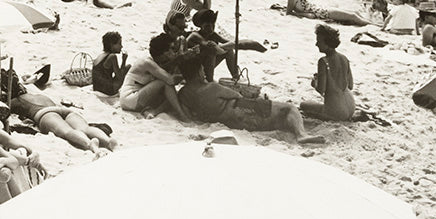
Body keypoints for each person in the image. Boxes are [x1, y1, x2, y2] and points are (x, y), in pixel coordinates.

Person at [176, 54, 323, 144]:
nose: (203, 71)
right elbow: (237, 95)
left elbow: (188, 116)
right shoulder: (211, 87)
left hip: (232, 123)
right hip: (242, 110)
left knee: (279, 118)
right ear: (198, 72)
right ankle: (301, 134)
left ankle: (294, 128)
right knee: (289, 108)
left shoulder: (183, 94)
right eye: (201, 69)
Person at [7, 79, 116, 152]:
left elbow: (4, 110)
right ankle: (108, 141)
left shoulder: (16, 101)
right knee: (85, 128)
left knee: (67, 132)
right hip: (63, 110)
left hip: (45, 114)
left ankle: (89, 144)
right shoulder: (38, 95)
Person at [118, 34, 186, 120]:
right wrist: (186, 76)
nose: (174, 52)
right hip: (130, 99)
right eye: (172, 49)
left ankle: (153, 112)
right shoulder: (147, 62)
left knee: (171, 95)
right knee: (165, 83)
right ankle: (182, 115)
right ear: (164, 52)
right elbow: (171, 80)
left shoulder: (154, 62)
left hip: (132, 100)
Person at [301, 24, 355, 122]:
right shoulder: (344, 58)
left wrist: (315, 83)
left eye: (319, 41)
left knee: (303, 105)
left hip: (336, 112)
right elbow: (350, 86)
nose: (316, 44)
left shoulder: (323, 61)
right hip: (351, 106)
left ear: (327, 43)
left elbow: (321, 90)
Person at [92, 31, 130, 96]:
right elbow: (119, 77)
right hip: (108, 90)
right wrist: (124, 60)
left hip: (96, 88)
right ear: (112, 45)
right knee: (128, 67)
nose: (121, 46)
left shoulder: (100, 56)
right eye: (119, 44)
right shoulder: (112, 57)